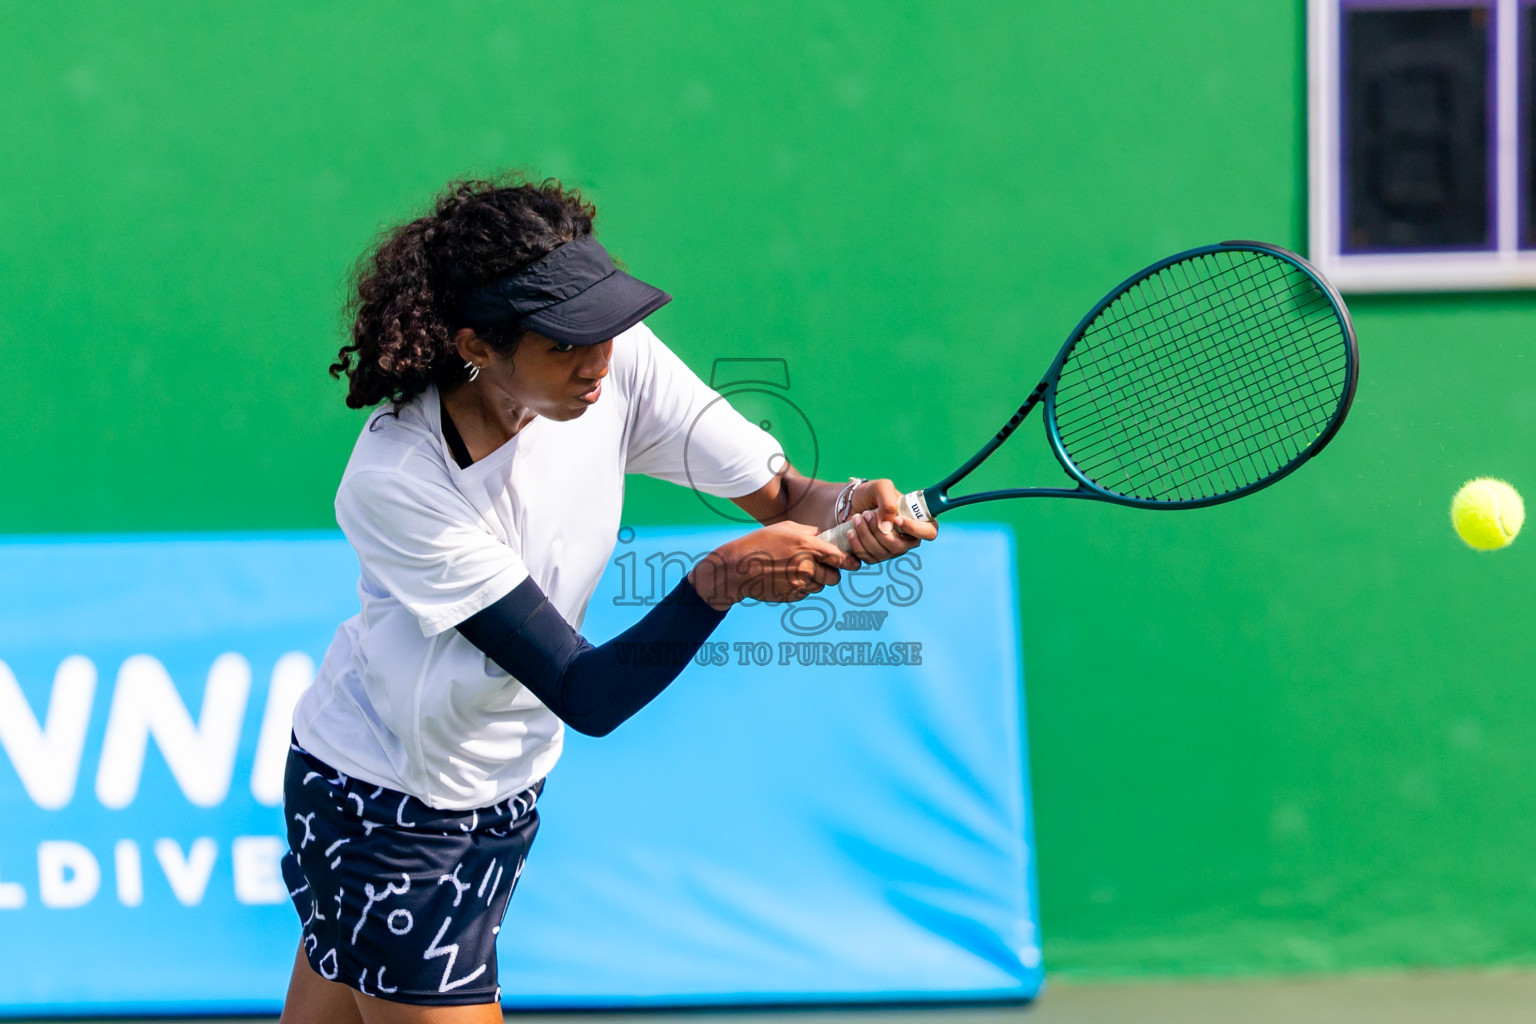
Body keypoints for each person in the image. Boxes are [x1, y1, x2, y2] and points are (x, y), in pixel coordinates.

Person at [278, 176, 937, 1024]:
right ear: (477, 344)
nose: (597, 362)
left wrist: (851, 507)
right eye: (564, 344)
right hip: (386, 802)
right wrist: (722, 579)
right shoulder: (400, 482)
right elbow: (588, 693)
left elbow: (782, 497)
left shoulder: (613, 368)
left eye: (606, 333)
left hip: (498, 786)